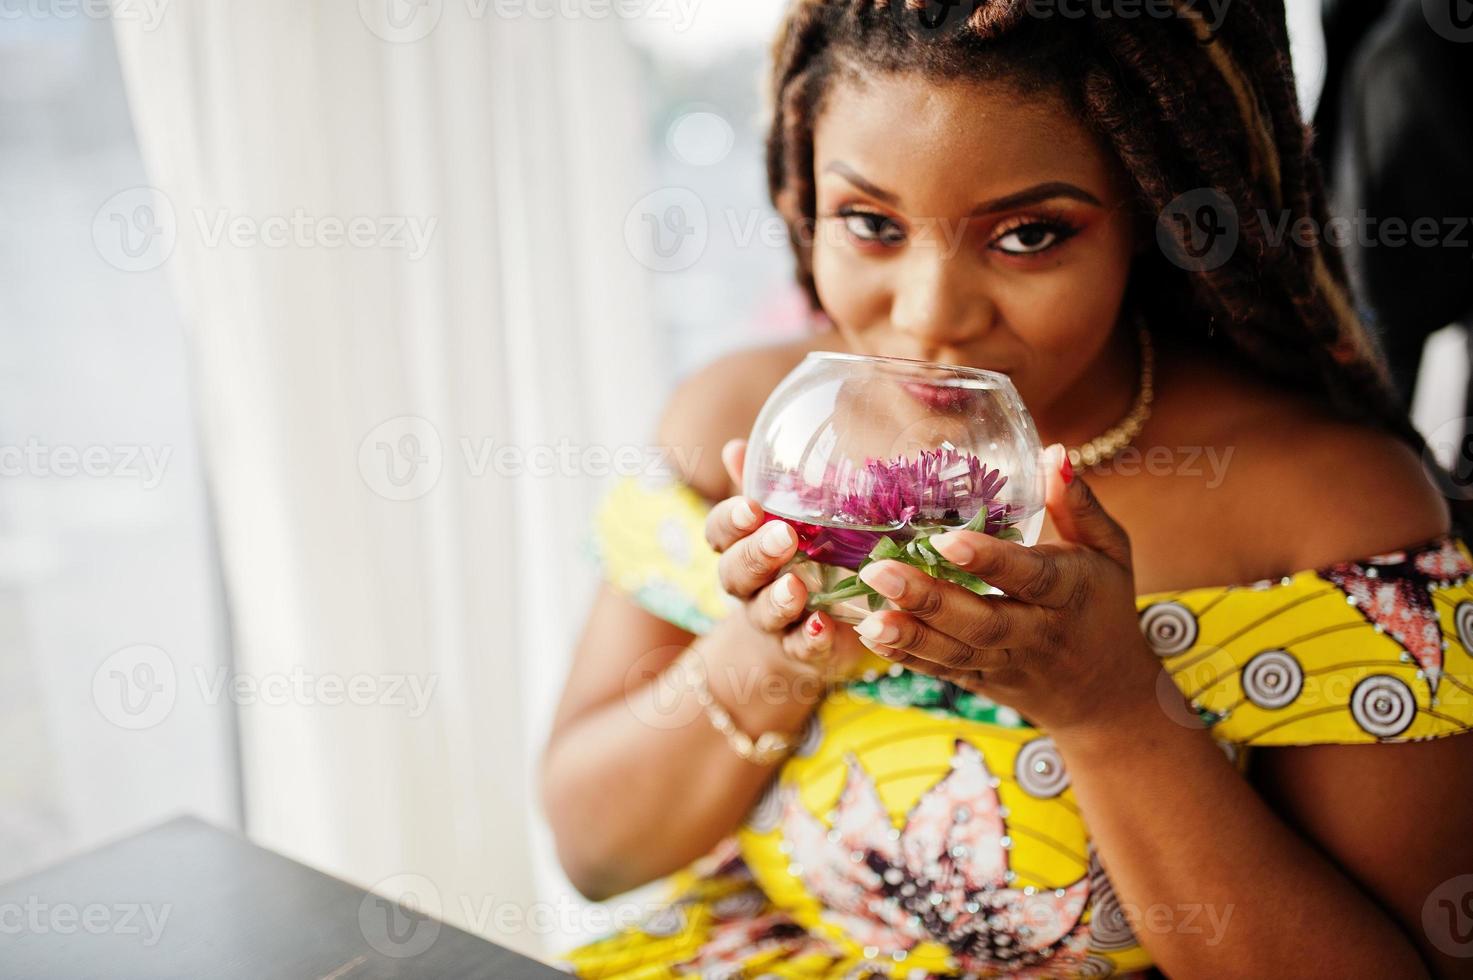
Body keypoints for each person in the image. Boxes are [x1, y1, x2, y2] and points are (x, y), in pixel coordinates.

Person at [541, 2, 1473, 976]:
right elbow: (596, 852)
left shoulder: (1327, 507)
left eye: (1029, 234)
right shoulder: (752, 422)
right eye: (870, 223)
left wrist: (1108, 705)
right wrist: (776, 649)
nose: (930, 315)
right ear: (802, 199)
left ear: (1156, 214)